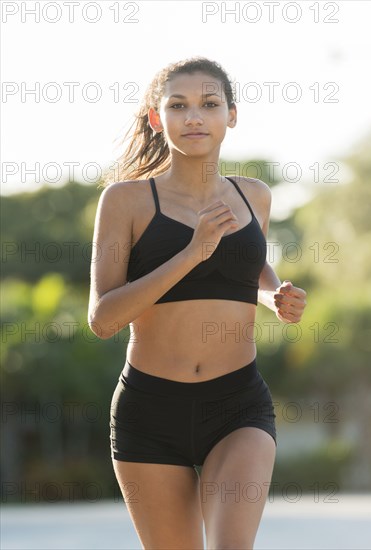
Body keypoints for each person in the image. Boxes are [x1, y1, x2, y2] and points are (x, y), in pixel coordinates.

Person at [88, 57, 307, 549]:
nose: (194, 118)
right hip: (150, 410)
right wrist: (192, 252)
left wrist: (276, 295)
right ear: (155, 118)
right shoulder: (125, 201)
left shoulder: (254, 196)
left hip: (238, 404)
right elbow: (102, 319)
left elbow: (246, 269)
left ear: (231, 114)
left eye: (209, 105)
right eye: (178, 106)